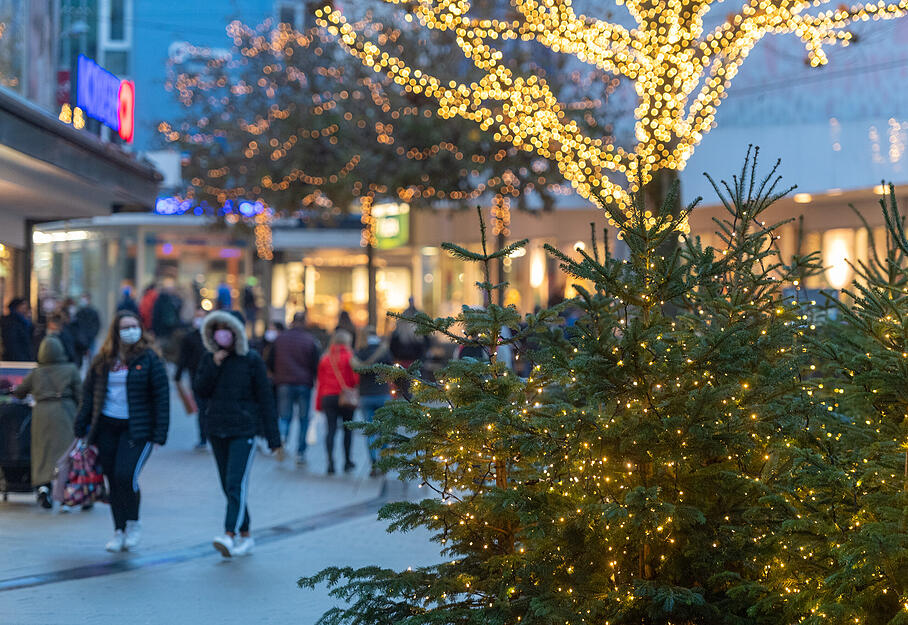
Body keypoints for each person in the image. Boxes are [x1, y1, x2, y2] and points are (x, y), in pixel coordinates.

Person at [74, 312, 170, 552]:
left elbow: (161, 397)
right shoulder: (103, 360)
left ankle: (133, 523)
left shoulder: (149, 359)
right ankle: (119, 530)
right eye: (125, 327)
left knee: (125, 475)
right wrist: (80, 428)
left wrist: (160, 434)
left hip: (137, 430)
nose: (131, 331)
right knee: (112, 481)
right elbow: (89, 395)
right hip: (107, 427)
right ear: (116, 332)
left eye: (135, 326)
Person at [194, 310, 282, 557]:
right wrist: (214, 364)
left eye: (227, 328)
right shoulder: (209, 358)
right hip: (217, 429)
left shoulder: (251, 359)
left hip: (243, 430)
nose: (222, 334)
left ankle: (229, 534)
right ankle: (246, 536)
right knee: (229, 486)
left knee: (235, 483)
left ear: (236, 332)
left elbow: (266, 399)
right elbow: (200, 389)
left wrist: (273, 438)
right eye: (217, 329)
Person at [13, 336, 81, 508]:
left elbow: (20, 392)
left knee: (42, 453)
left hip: (41, 415)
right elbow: (81, 395)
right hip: (66, 413)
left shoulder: (37, 372)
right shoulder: (71, 370)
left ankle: (44, 488)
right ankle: (66, 494)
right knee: (65, 454)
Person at [272, 312, 320, 465]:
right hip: (303, 383)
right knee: (304, 419)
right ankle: (300, 452)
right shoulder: (310, 340)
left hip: (284, 382)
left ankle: (282, 440)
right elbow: (315, 363)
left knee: (284, 416)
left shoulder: (280, 339)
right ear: (304, 322)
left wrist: (277, 374)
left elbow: (270, 359)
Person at [315, 330, 359, 475]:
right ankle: (347, 461)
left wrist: (318, 403)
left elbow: (320, 383)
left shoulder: (325, 358)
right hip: (345, 397)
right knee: (348, 430)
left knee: (331, 430)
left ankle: (330, 463)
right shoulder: (350, 357)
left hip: (328, 397)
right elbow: (355, 380)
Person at [354, 327, 393, 477]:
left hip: (365, 395)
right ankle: (383, 461)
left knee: (370, 431)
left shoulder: (360, 351)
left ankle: (373, 463)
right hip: (382, 394)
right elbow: (392, 370)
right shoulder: (384, 351)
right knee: (384, 430)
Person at [175, 309, 208, 449]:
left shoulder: (212, 336)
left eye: (202, 317)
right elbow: (183, 357)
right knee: (201, 409)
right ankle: (203, 438)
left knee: (210, 409)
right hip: (195, 378)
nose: (199, 320)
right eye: (197, 317)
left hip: (212, 379)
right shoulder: (189, 337)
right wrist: (178, 374)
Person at [1, 297, 33, 362]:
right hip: (17, 362)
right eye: (23, 307)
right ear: (17, 307)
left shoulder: (23, 322)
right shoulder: (11, 323)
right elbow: (12, 345)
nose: (25, 310)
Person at [72, 294, 102, 363]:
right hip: (80, 339)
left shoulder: (94, 312)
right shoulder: (79, 312)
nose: (83, 301)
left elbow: (98, 324)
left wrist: (93, 334)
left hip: (91, 339)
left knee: (92, 358)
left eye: (85, 299)